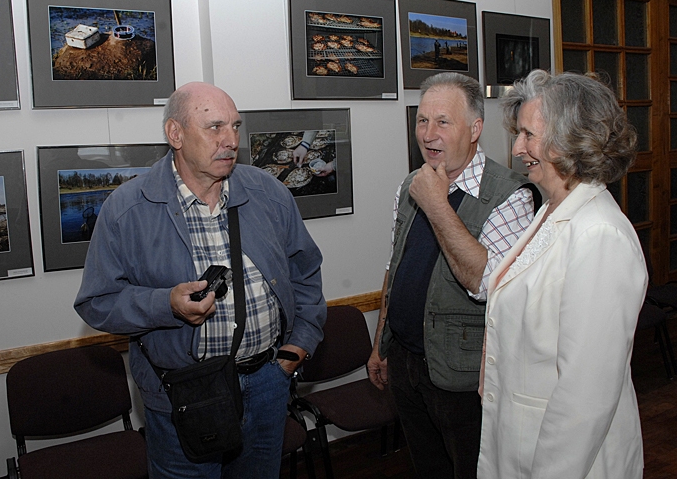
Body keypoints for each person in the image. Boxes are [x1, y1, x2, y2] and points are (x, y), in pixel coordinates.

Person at [74, 82, 326, 478]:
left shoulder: (268, 194)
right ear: (175, 134)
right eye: (214, 128)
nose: (230, 141)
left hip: (267, 383)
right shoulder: (128, 209)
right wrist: (165, 304)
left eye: (236, 127)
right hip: (184, 395)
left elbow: (306, 272)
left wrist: (296, 350)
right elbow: (97, 302)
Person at [367, 72, 537, 479]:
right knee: (427, 467)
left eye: (443, 122)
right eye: (422, 121)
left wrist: (437, 204)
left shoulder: (512, 195)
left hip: (464, 374)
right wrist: (380, 342)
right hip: (406, 364)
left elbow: (485, 283)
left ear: (475, 128)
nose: (428, 134)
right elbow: (396, 266)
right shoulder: (412, 183)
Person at [477, 70, 646, 479]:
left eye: (529, 135)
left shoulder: (599, 235)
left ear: (572, 139)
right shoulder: (549, 211)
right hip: (520, 444)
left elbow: (585, 397)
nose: (517, 148)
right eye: (518, 134)